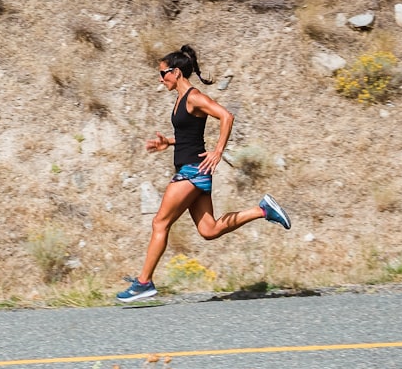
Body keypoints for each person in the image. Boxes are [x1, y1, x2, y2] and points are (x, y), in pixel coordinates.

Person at [116, 44, 291, 303]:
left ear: (176, 73)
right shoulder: (181, 99)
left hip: (192, 171)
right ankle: (262, 210)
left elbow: (226, 116)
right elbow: (190, 136)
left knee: (159, 223)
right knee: (209, 230)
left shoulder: (194, 97)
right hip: (193, 169)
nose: (161, 79)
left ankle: (144, 283)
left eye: (163, 73)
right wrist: (169, 143)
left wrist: (218, 151)